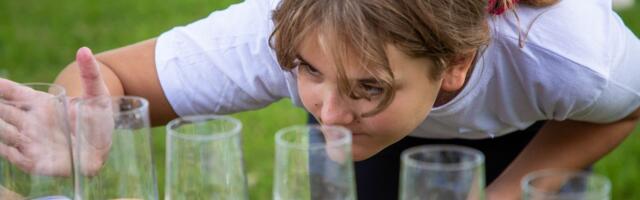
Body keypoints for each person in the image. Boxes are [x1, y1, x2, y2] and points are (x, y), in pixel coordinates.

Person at [1, 0, 639, 199]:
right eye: (306, 73)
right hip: (392, 132)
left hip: (519, 126)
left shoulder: (571, 60)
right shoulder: (269, 33)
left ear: (455, 66)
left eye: (368, 86)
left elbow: (632, 109)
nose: (326, 116)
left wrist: (506, 194)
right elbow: (109, 74)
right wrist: (76, 118)